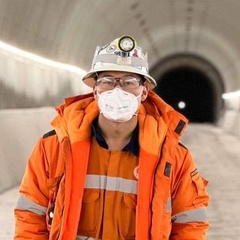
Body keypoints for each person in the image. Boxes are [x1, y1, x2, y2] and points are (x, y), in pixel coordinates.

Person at [14, 36, 209, 240]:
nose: (118, 90)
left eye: (129, 82)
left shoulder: (172, 157)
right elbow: (30, 218)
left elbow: (189, 225)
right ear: (95, 91)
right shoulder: (54, 148)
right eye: (107, 81)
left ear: (144, 92)